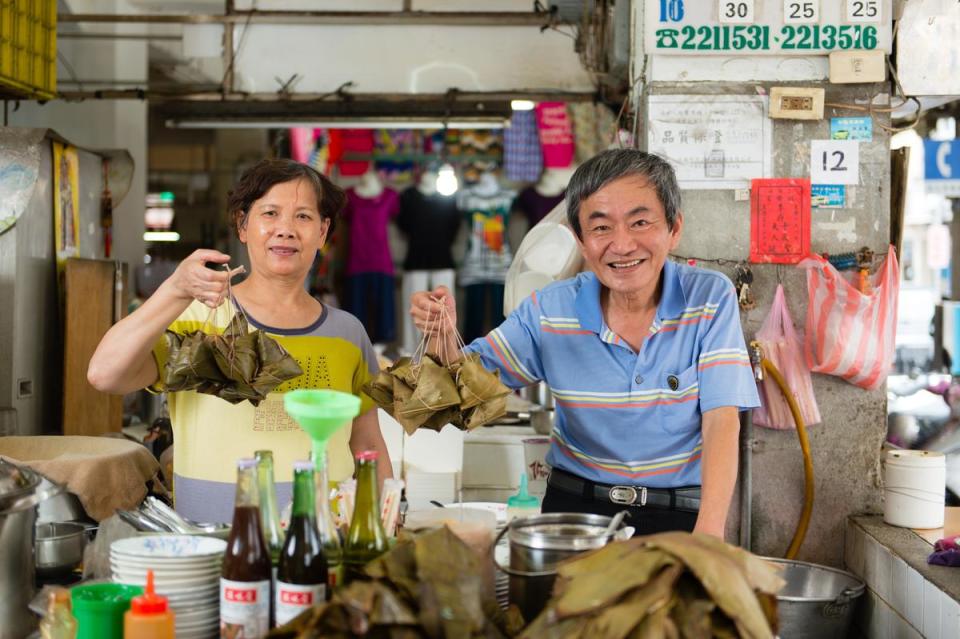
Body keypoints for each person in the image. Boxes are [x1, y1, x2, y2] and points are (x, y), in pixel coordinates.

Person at [410, 149, 759, 538]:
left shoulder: (709, 298)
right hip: (575, 512)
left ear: (673, 228)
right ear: (579, 239)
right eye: (601, 228)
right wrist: (441, 341)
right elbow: (463, 397)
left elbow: (722, 421)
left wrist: (708, 535)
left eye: (640, 222)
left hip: (679, 514)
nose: (622, 245)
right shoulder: (549, 308)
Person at [89, 159, 392, 523]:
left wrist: (385, 518)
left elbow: (367, 440)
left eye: (303, 217)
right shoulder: (196, 318)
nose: (285, 230)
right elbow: (104, 375)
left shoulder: (348, 331)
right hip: (213, 539)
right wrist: (175, 290)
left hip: (324, 539)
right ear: (243, 225)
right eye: (270, 213)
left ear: (323, 232)